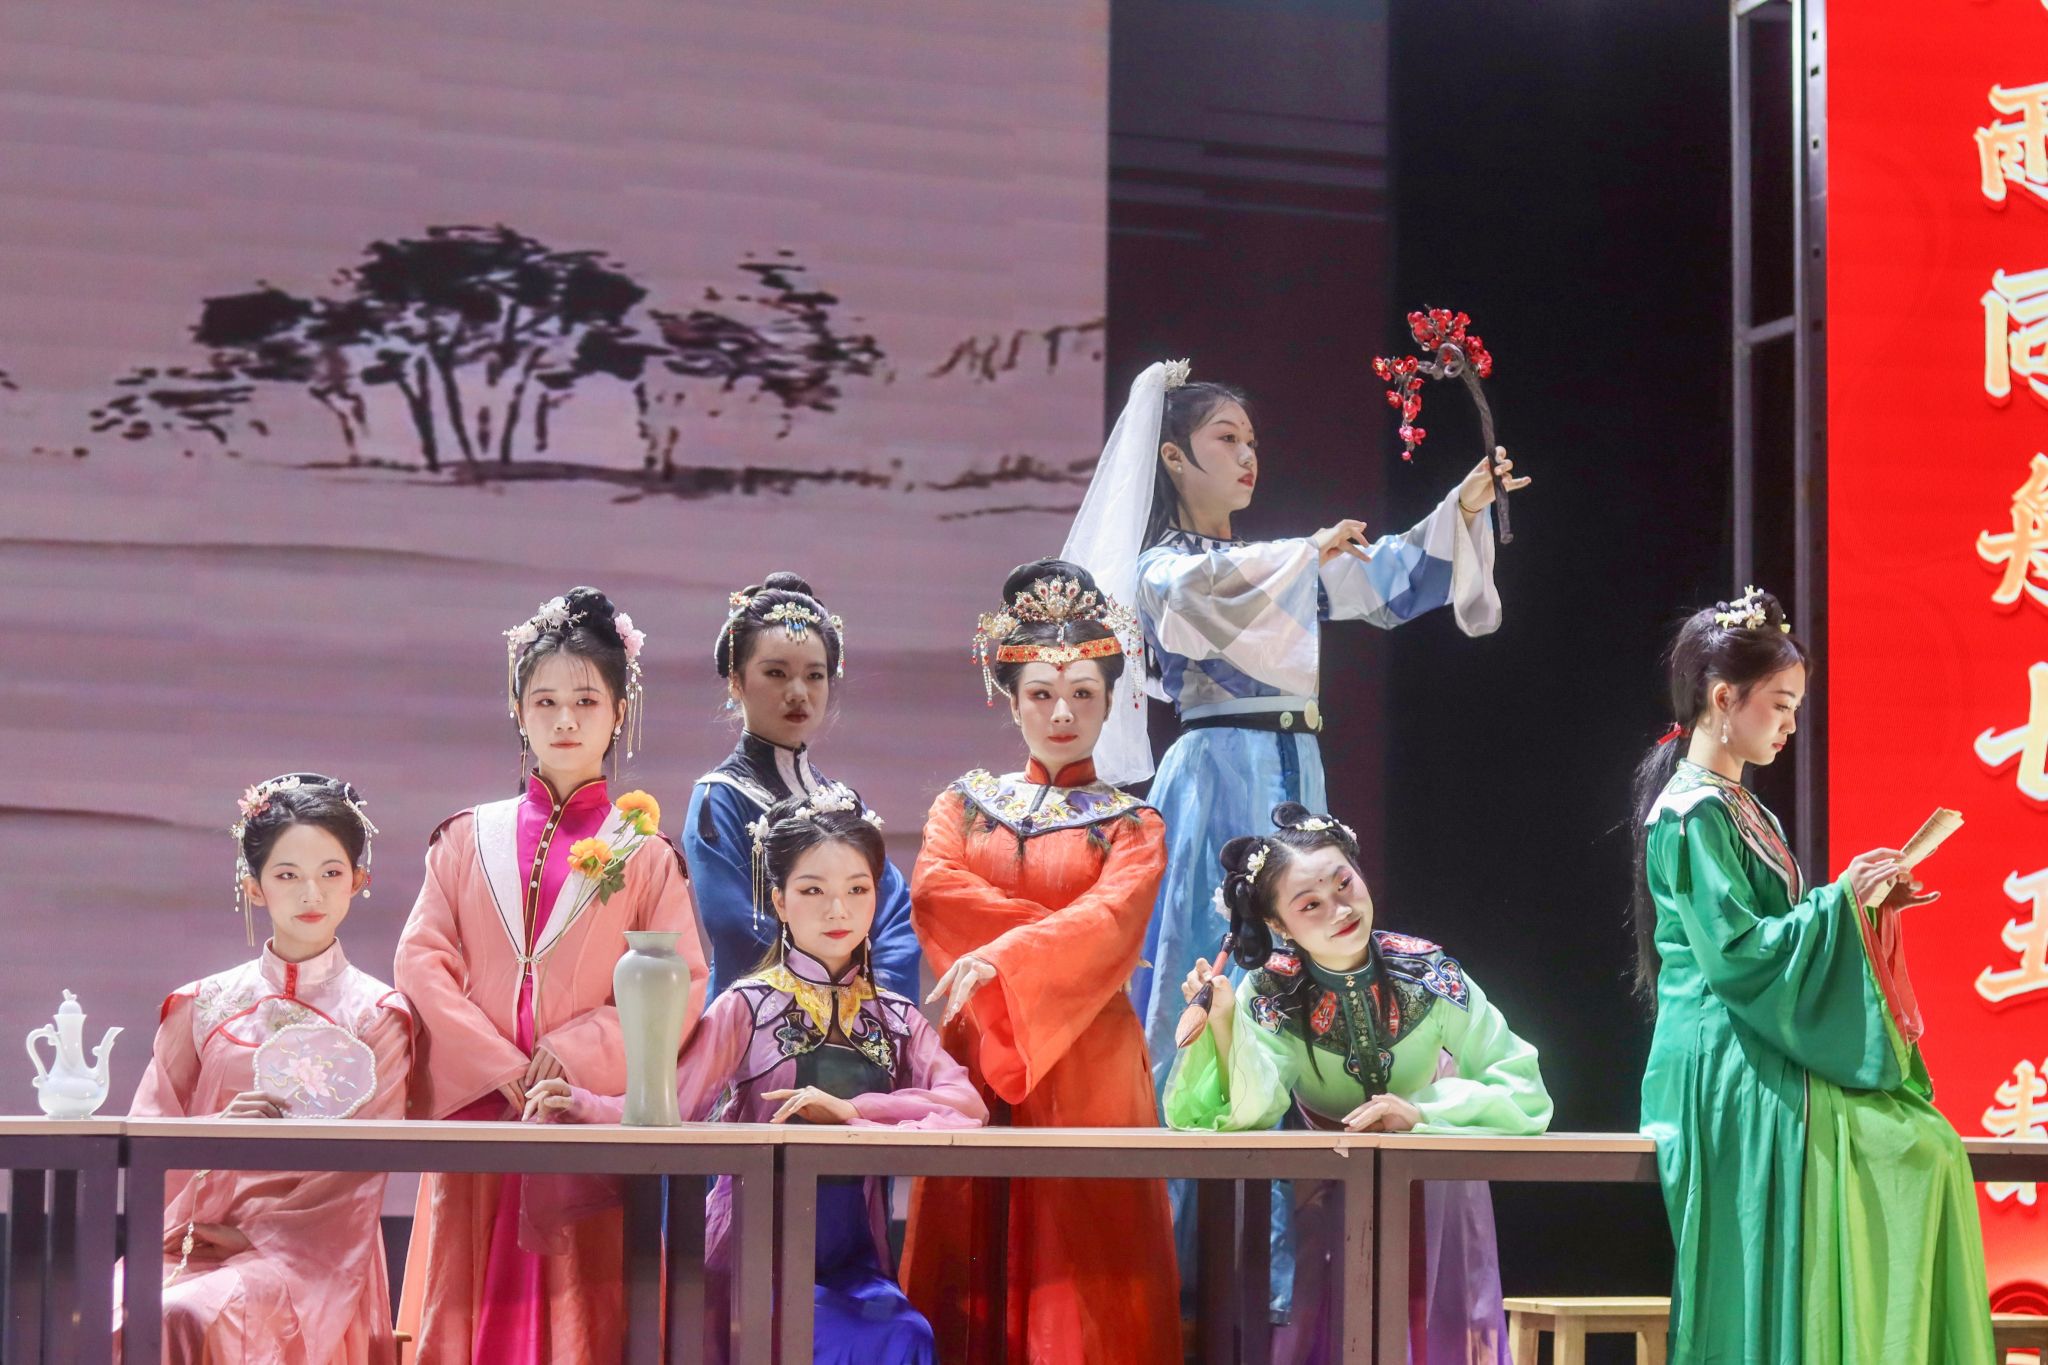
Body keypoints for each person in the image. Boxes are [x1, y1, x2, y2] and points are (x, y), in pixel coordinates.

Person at [1058, 359, 1527, 1095]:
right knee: (1211, 945)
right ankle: (1184, 1140)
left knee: (1301, 956)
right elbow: (1207, 590)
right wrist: (1305, 553)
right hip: (1218, 766)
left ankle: (1291, 1129)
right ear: (1173, 456)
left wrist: (1459, 510)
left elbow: (1380, 582)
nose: (1247, 455)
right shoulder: (1163, 569)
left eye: (1251, 441)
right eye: (1226, 438)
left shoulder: (1275, 566)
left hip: (1295, 766)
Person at [1634, 586, 1994, 1363]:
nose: (1792, 724)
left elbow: (1776, 936)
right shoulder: (1691, 813)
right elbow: (1739, 954)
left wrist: (1864, 906)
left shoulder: (1740, 807)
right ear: (1723, 699)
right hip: (1724, 1049)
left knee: (1928, 1140)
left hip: (1757, 1029)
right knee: (1912, 1148)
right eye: (1781, 705)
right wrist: (1840, 899)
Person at [525, 785, 983, 1364]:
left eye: (857, 889)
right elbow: (675, 1102)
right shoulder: (749, 1005)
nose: (837, 910)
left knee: (905, 1333)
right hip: (755, 1254)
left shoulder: (895, 1018)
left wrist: (855, 1111)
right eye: (812, 890)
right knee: (834, 1334)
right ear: (780, 901)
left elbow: (965, 1104)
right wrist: (582, 1103)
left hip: (853, 1257)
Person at [394, 587, 706, 1365]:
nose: (565, 719)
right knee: (467, 1305)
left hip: (577, 1112)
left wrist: (570, 1057)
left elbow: (682, 981)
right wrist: (499, 1064)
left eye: (586, 700)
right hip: (480, 1112)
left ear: (619, 712)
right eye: (545, 701)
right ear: (518, 709)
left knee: (579, 1316)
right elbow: (422, 959)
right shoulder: (466, 838)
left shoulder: (645, 853)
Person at [899, 558, 1182, 1364]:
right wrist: (1039, 953)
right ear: (1010, 696)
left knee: (1084, 1262)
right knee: (971, 1250)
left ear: (1112, 700)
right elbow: (936, 893)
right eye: (1043, 694)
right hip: (982, 1048)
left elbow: (1113, 923)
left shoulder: (1135, 824)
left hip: (1090, 1064)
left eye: (1083, 694)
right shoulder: (962, 805)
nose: (1063, 712)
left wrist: (1005, 954)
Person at [1164, 801, 1549, 1363]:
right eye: (1310, 904)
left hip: (1434, 1178)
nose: (1340, 909)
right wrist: (1224, 1024)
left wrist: (1423, 1113)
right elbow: (1254, 1107)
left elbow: (1521, 1083)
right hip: (1327, 1184)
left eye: (1344, 883)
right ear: (1278, 925)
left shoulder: (1428, 972)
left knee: (1435, 1324)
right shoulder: (1270, 991)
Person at [127, 773, 411, 1364]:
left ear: (358, 881)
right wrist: (216, 1129)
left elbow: (361, 1174)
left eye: (330, 873)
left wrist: (257, 1236)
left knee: (185, 1315)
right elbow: (149, 1134)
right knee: (124, 1310)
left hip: (314, 1255)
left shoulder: (378, 1017)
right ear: (253, 887)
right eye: (287, 875)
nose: (311, 894)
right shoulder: (200, 1006)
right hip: (192, 1237)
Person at [684, 573, 920, 998]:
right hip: (760, 1018)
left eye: (814, 675)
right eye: (776, 673)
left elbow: (892, 914)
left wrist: (878, 1000)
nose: (798, 692)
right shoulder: (719, 798)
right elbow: (736, 925)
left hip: (862, 1013)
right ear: (736, 682)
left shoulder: (843, 803)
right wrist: (824, 995)